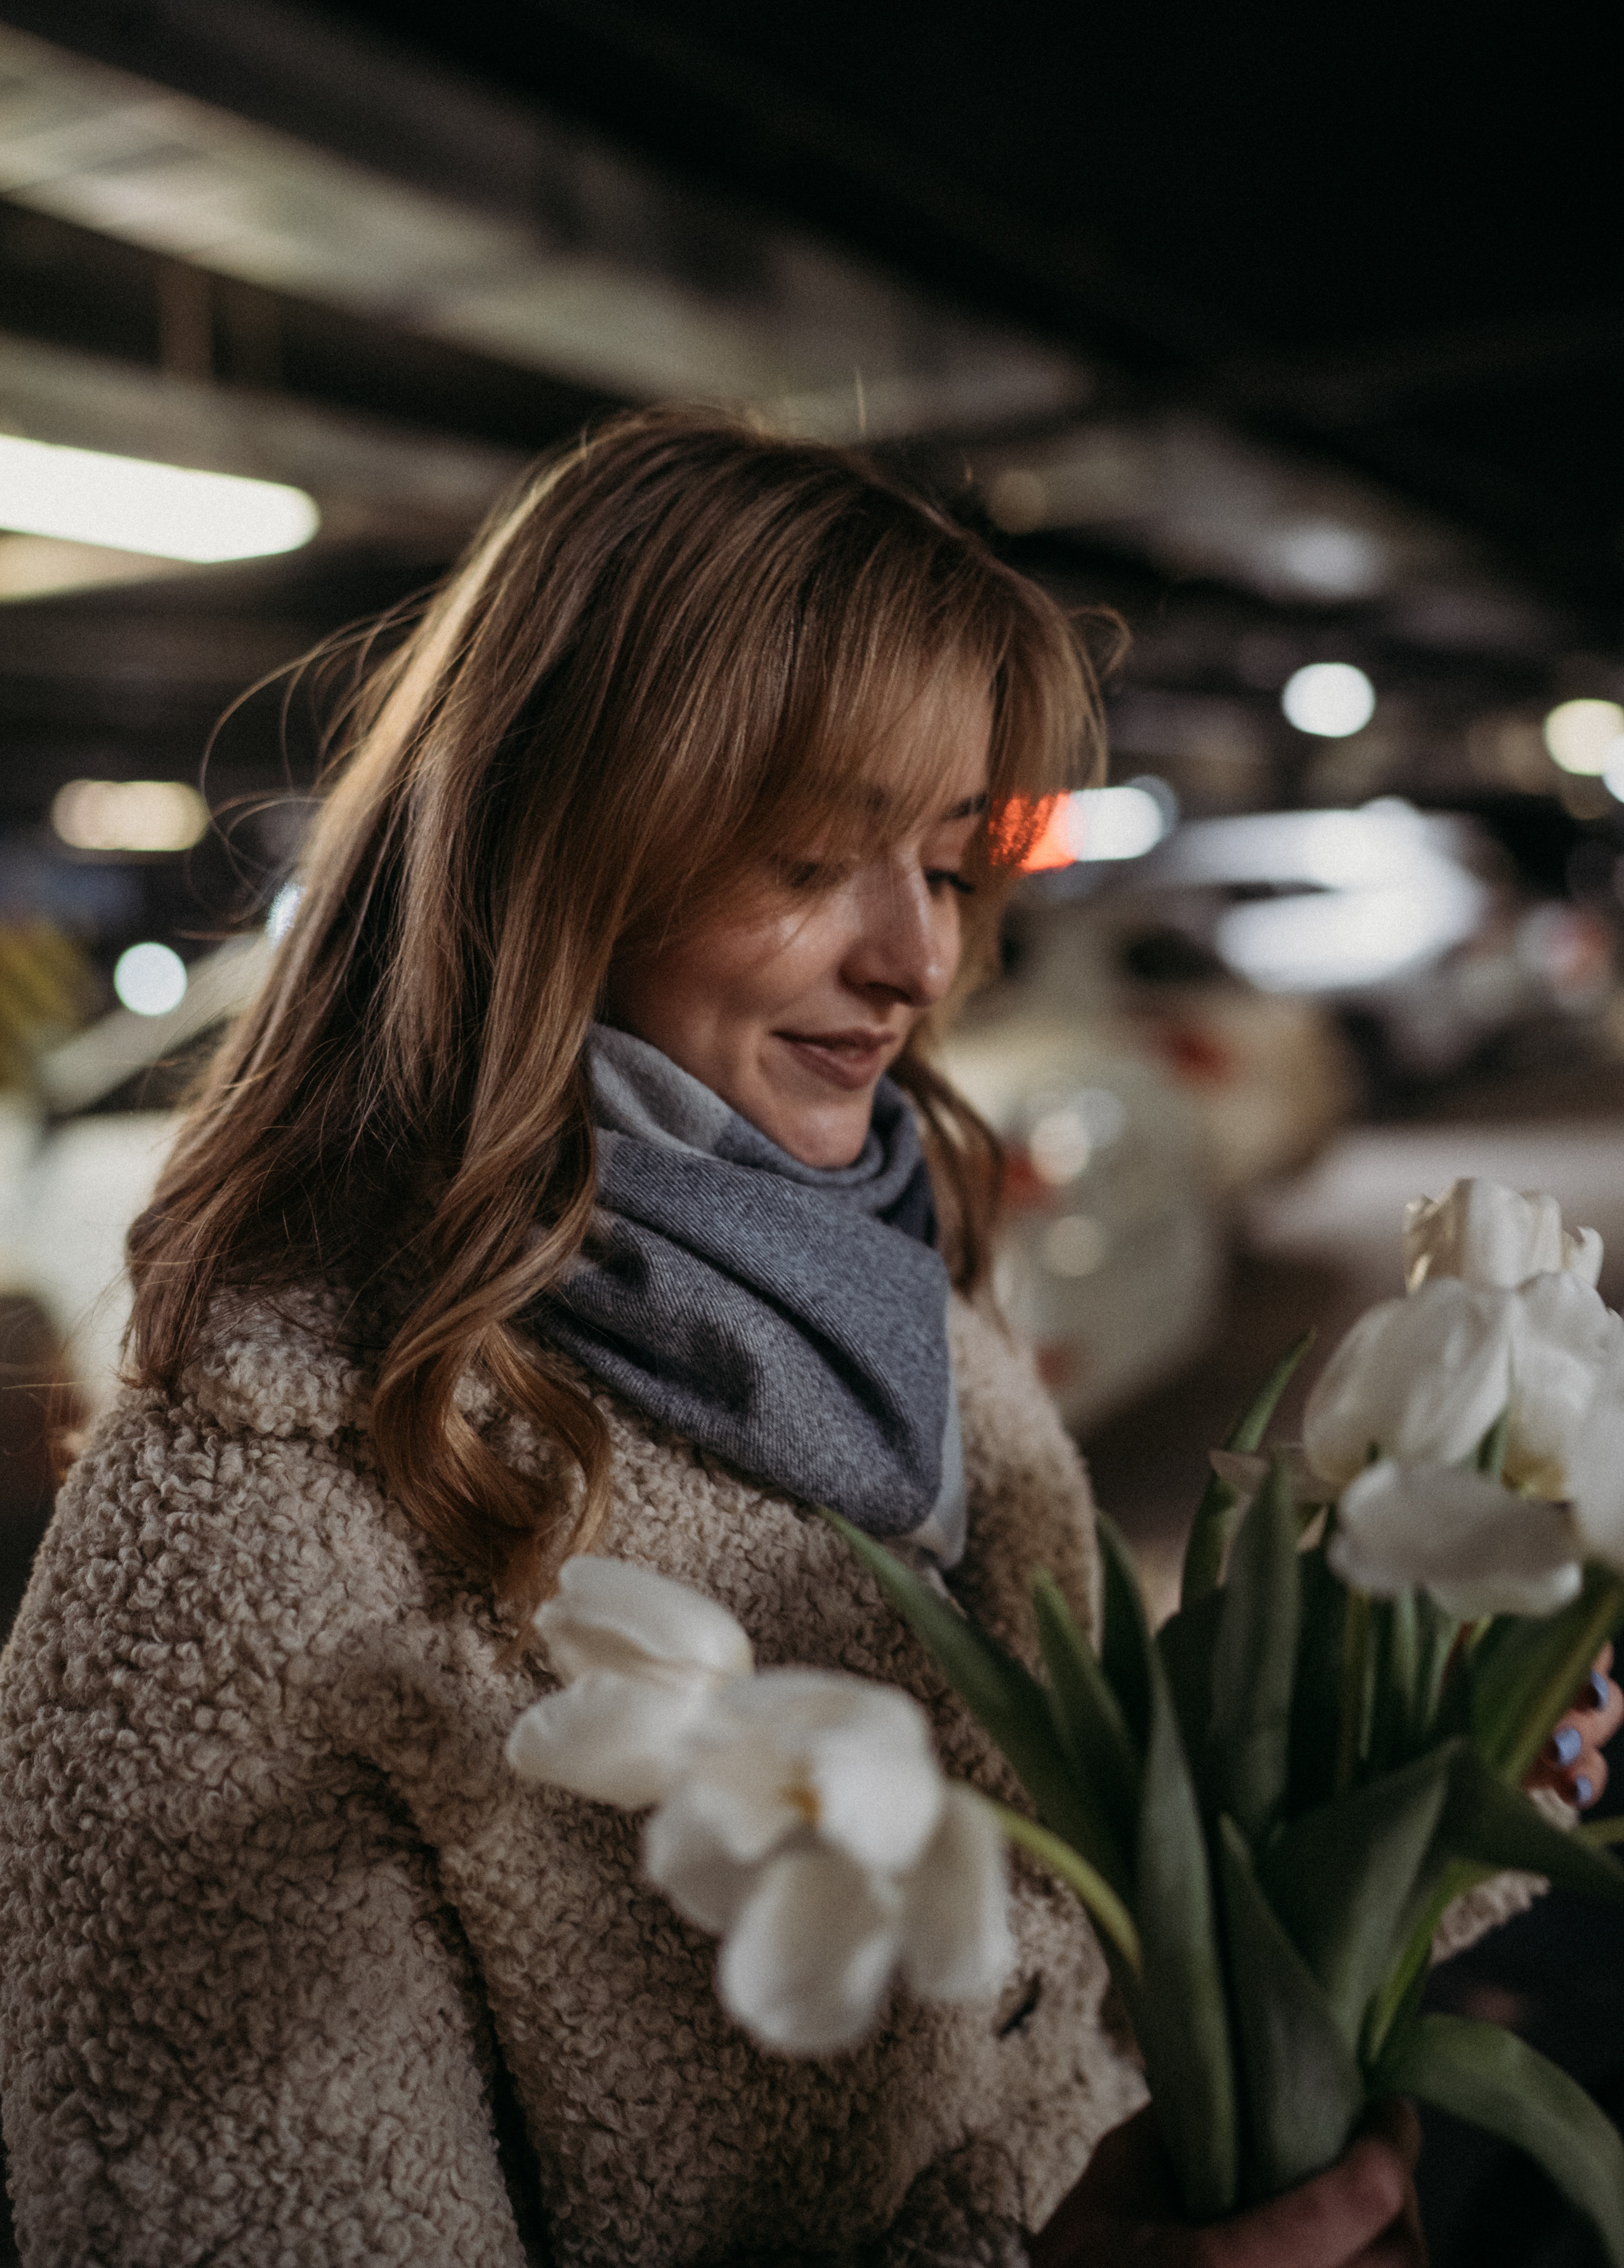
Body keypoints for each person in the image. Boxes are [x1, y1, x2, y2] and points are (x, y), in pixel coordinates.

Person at [0, 408, 1581, 2267]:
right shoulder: (256, 1527)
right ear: (556, 848)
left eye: (950, 864)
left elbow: (1080, 1910)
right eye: (812, 859)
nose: (917, 961)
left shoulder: (907, 1286)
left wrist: (1445, 1765)